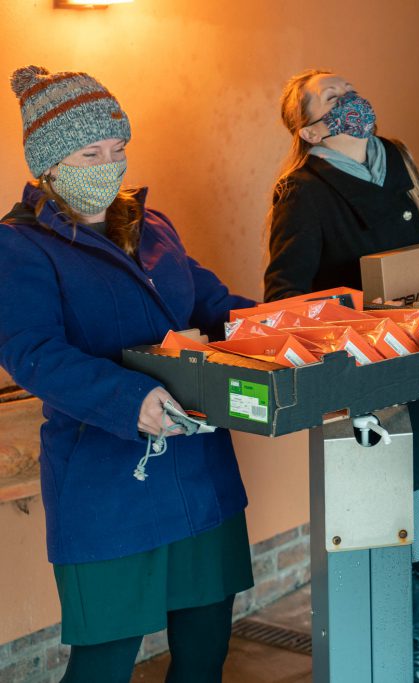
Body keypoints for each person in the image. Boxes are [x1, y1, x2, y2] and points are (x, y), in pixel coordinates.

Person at [0, 66, 254, 683]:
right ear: (49, 164)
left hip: (199, 473)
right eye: (91, 152)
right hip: (108, 483)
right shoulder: (20, 247)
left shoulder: (154, 227)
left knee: (204, 651)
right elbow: (31, 351)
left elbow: (213, 306)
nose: (109, 165)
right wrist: (130, 398)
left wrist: (296, 328)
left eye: (118, 149)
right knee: (105, 663)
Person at [264, 69, 419, 683]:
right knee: (394, 540)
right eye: (333, 99)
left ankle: (412, 661)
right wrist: (364, 315)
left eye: (350, 89)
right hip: (379, 392)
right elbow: (284, 298)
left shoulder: (398, 157)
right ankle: (384, 664)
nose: (352, 100)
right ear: (309, 130)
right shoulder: (302, 192)